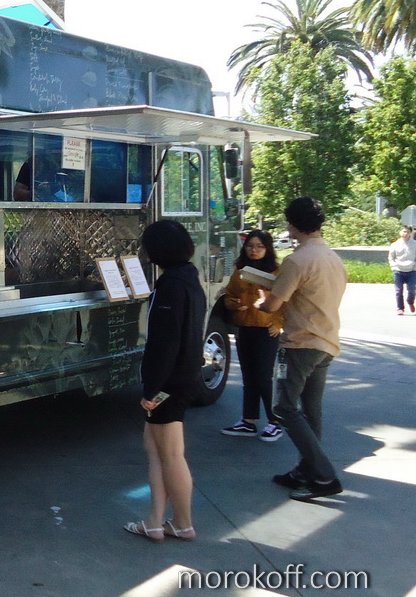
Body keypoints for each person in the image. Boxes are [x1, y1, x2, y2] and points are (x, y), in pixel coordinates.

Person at [257, 197, 348, 501]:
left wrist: (262, 300)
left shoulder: (297, 260)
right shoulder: (332, 257)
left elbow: (272, 305)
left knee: (283, 408)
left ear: (293, 224)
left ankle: (324, 475)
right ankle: (305, 471)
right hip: (326, 341)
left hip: (299, 343)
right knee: (311, 411)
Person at [124, 220, 205, 542]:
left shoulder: (170, 285)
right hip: (182, 376)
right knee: (155, 449)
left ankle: (183, 523)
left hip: (170, 382)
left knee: (170, 454)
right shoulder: (189, 279)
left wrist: (152, 389)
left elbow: (165, 343)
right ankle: (155, 521)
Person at [220, 230, 285, 442]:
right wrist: (233, 304)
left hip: (266, 329)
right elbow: (229, 295)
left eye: (259, 246)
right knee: (249, 376)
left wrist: (278, 323)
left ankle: (275, 422)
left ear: (268, 249)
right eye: (250, 246)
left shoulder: (277, 272)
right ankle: (248, 421)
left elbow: (287, 301)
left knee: (264, 376)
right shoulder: (240, 271)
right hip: (244, 327)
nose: (254, 250)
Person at [387, 226, 415, 315]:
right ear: (400, 232)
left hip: (411, 271)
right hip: (398, 271)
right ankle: (400, 308)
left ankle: (410, 301)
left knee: (412, 290)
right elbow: (391, 257)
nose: (405, 233)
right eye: (404, 231)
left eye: (407, 232)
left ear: (410, 233)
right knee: (398, 291)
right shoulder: (395, 244)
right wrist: (394, 267)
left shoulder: (414, 244)